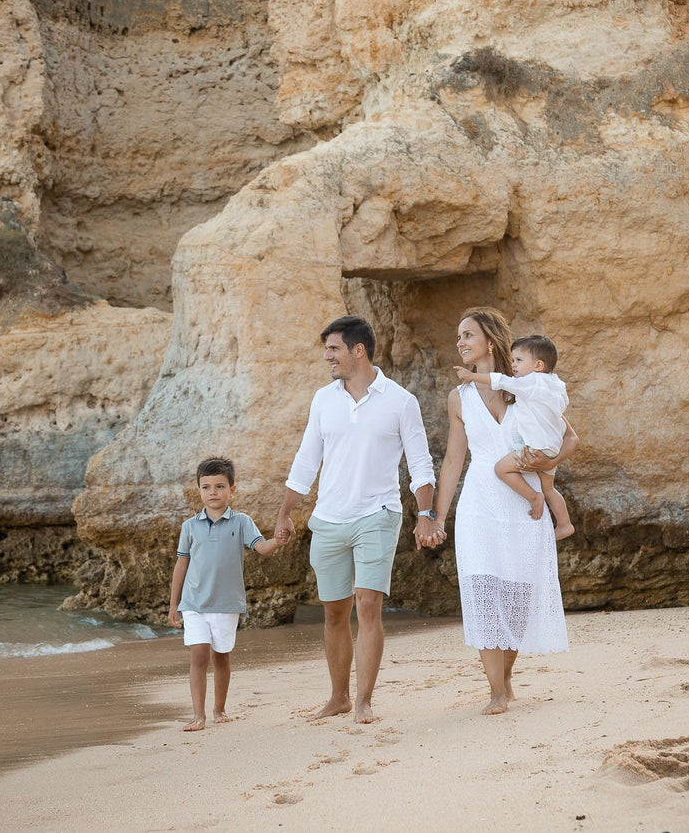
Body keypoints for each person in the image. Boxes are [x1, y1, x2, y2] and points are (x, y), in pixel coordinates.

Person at [276, 315, 438, 724]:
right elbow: (305, 461)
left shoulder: (401, 401)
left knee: (367, 605)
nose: (327, 356)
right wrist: (284, 513)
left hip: (378, 514)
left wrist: (425, 514)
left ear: (357, 350)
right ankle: (339, 697)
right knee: (334, 612)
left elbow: (421, 464)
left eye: (333, 348)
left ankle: (364, 700)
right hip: (329, 519)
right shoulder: (323, 400)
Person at [432, 307, 575, 714]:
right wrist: (437, 516)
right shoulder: (457, 399)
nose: (459, 343)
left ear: (489, 342)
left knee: (517, 598)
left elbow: (571, 439)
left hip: (525, 506)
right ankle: (496, 690)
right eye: (458, 336)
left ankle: (505, 677)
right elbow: (453, 462)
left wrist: (545, 466)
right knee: (482, 592)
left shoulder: (526, 387)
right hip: (479, 505)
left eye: (467, 335)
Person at [168, 456, 291, 732]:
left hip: (226, 604)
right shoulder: (190, 526)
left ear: (232, 489)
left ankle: (219, 708)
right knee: (198, 655)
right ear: (198, 490)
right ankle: (198, 716)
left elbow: (260, 547)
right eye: (207, 487)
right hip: (194, 602)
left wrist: (278, 541)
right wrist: (173, 604)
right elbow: (181, 564)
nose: (213, 492)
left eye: (220, 486)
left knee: (221, 657)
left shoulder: (242, 522)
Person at [454, 334, 575, 540]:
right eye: (512, 360)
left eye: (519, 360)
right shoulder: (554, 384)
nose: (513, 365)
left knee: (501, 469)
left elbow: (499, 381)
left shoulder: (530, 383)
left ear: (538, 365)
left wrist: (472, 376)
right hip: (551, 449)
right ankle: (564, 524)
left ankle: (533, 497)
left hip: (535, 449)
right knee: (549, 488)